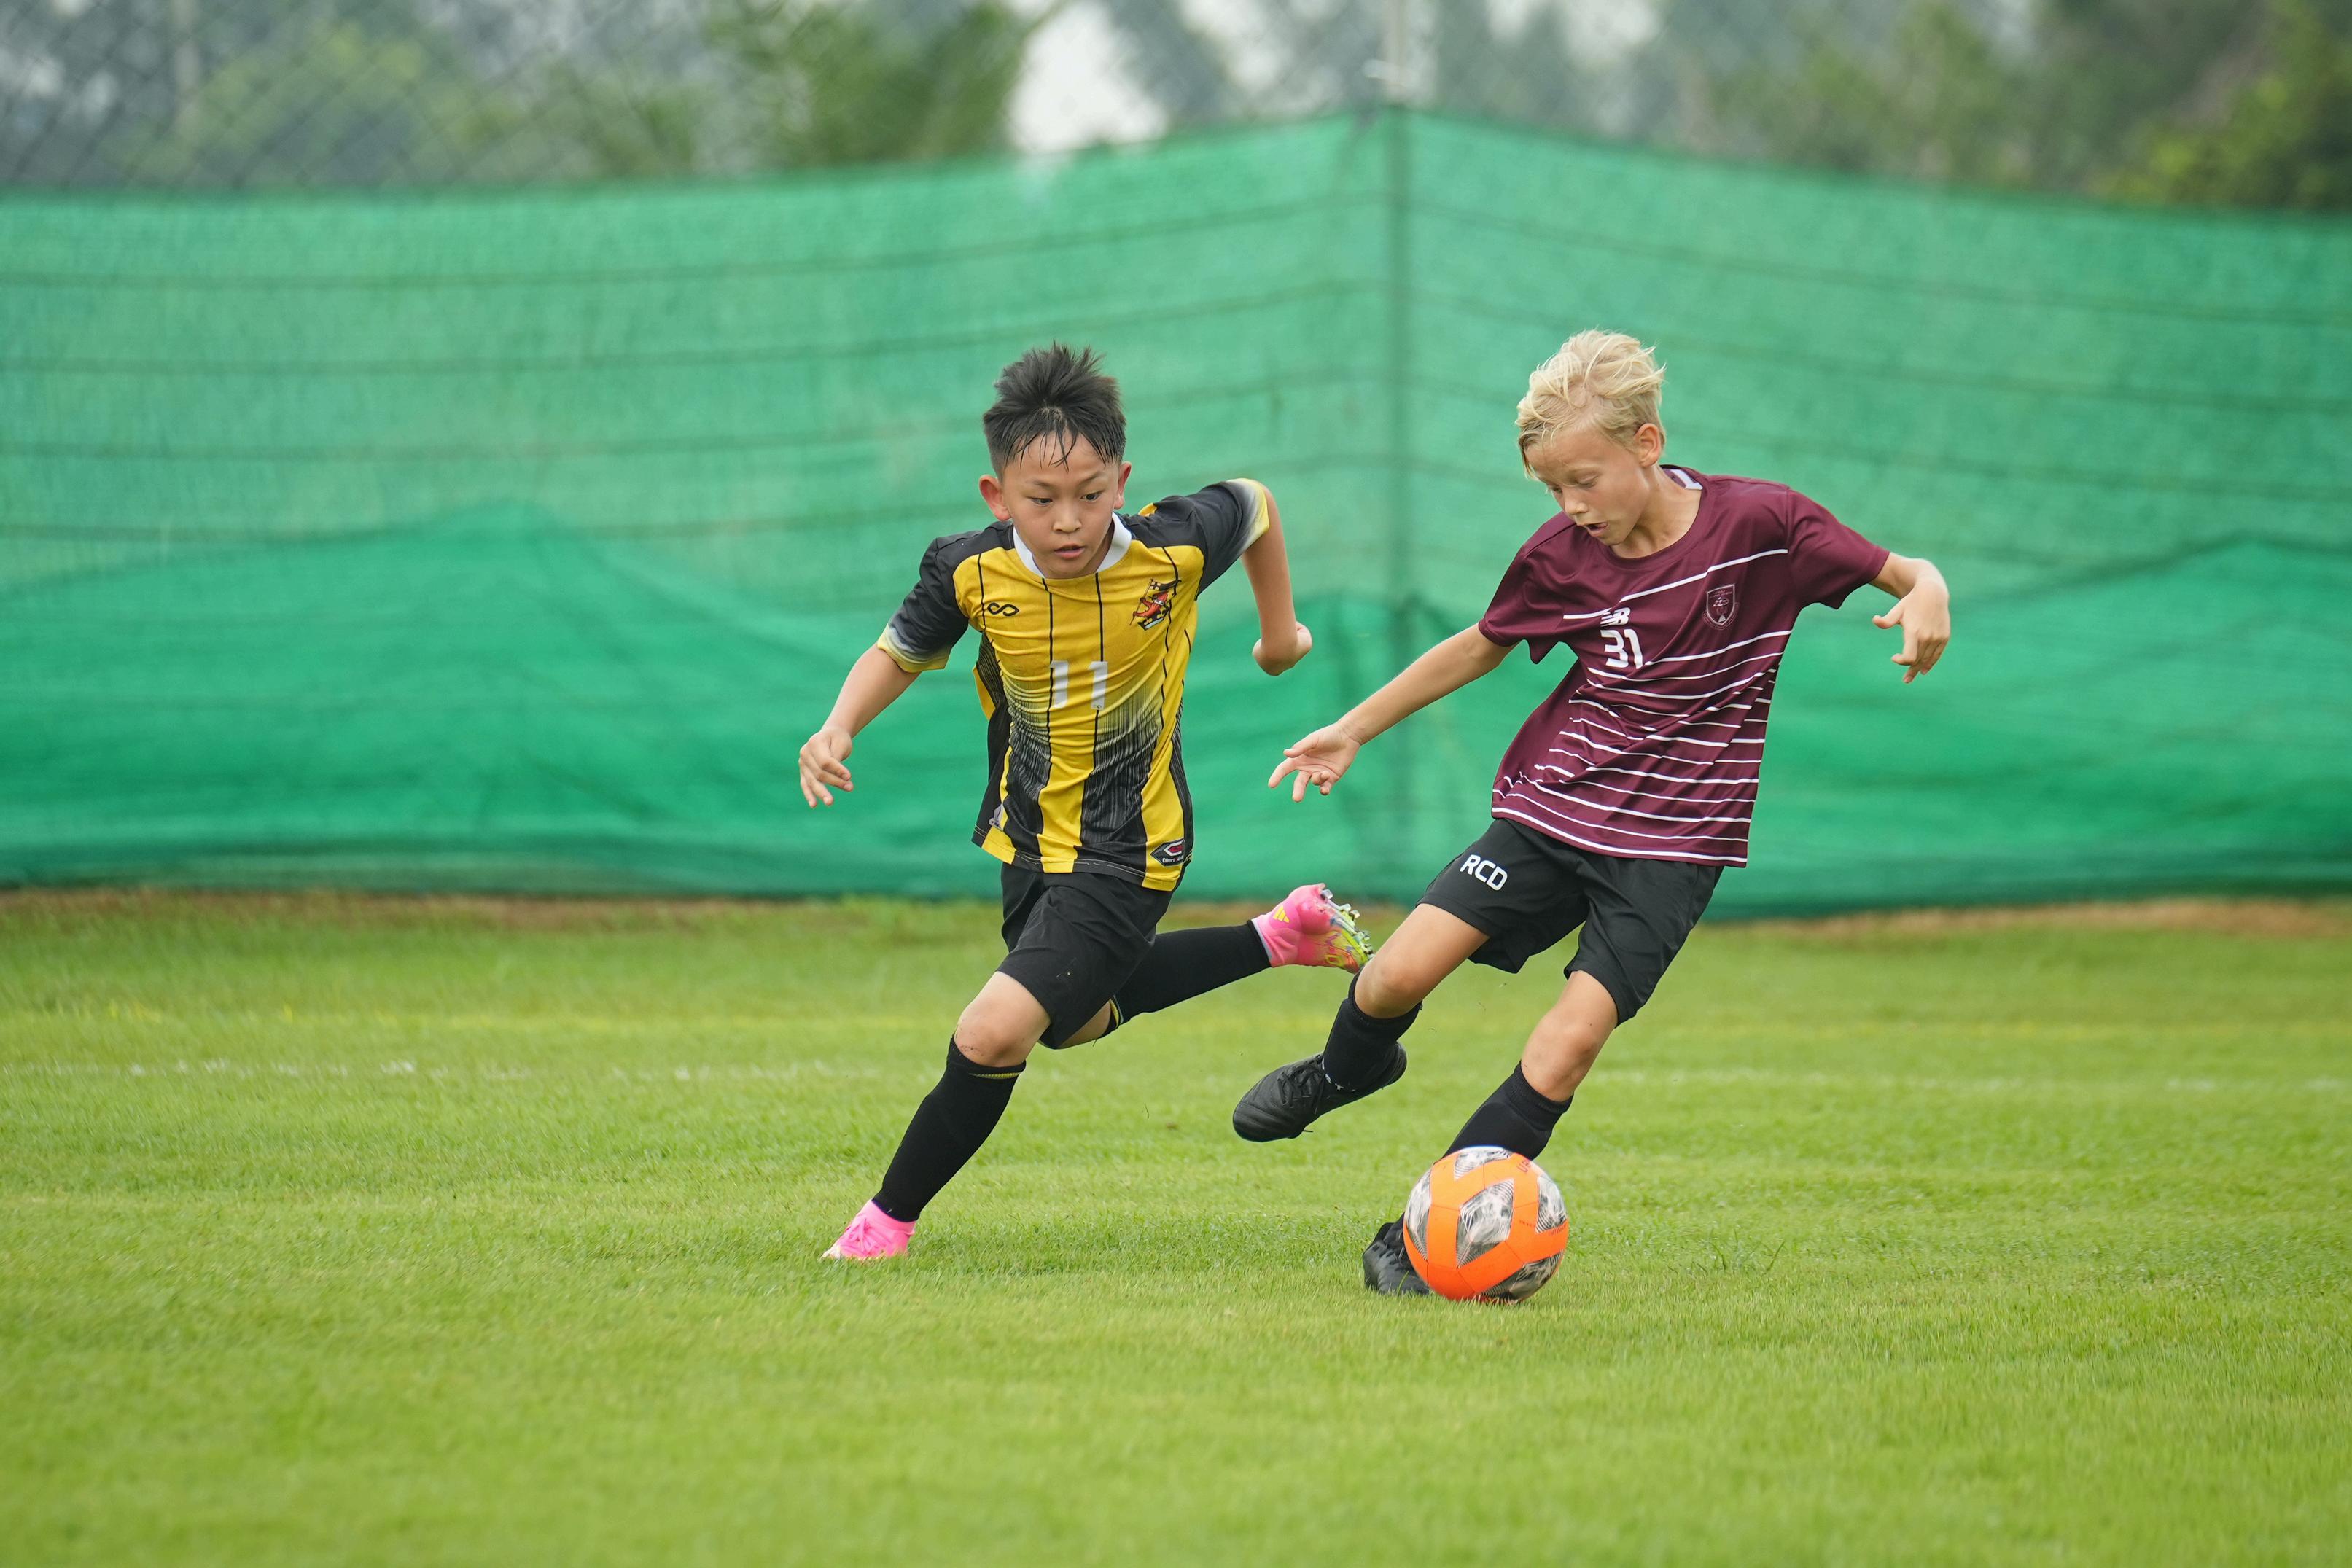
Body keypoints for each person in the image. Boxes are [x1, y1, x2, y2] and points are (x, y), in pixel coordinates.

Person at [1230, 330, 1953, 1293]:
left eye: (1583, 480)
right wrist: (1352, 728)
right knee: (1396, 970)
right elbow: (1480, 644)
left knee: (1566, 1044)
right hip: (1554, 810)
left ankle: (1423, 1234)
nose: (1571, 506)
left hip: (1675, 846)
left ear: (1647, 443)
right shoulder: (1560, 557)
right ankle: (1342, 1070)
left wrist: (1927, 592)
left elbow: (1905, 571)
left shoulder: (1764, 524)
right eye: (1551, 488)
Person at [803, 343, 1371, 1261]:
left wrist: (1280, 637)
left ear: (1122, 483)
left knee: (994, 1031)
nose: (1068, 520)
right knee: (1073, 1022)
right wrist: (838, 726)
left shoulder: (1172, 547)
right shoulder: (968, 571)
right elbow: (898, 651)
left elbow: (1257, 503)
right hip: (1027, 839)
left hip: (1133, 844)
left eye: (1090, 494)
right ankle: (1281, 937)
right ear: (997, 496)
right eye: (1041, 500)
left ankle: (881, 1228)